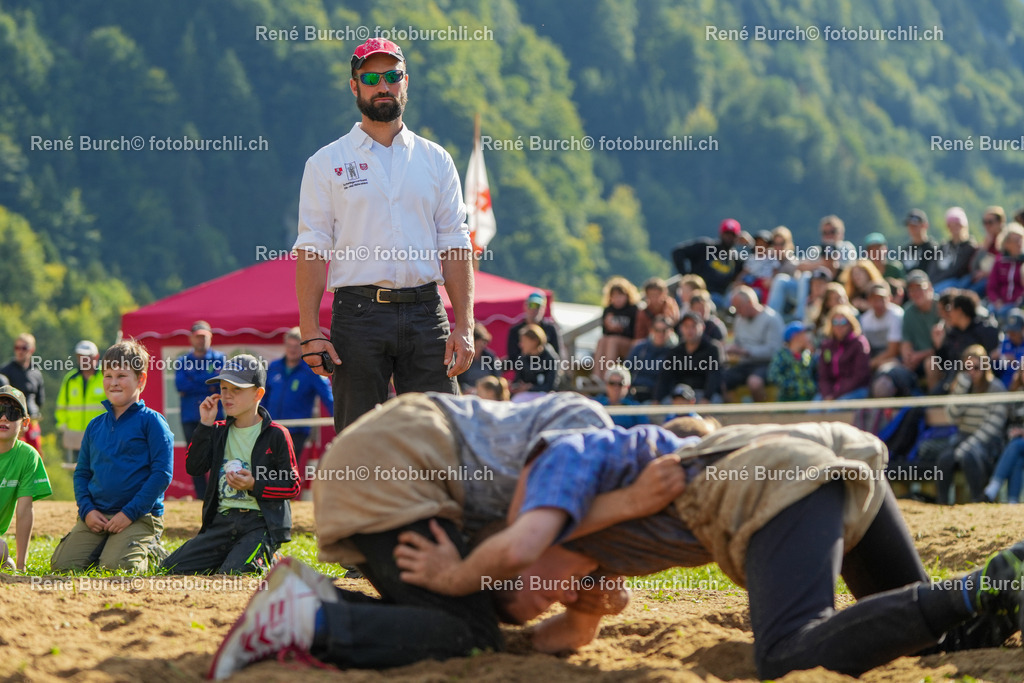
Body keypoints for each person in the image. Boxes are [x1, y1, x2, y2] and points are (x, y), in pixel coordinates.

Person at [391, 421, 1024, 679]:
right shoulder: (584, 541)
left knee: (787, 653)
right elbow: (570, 633)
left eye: (525, 592)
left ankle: (976, 587)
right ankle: (999, 595)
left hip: (775, 482)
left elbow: (523, 545)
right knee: (929, 639)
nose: (545, 598)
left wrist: (454, 579)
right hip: (827, 454)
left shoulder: (550, 479)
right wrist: (530, 625)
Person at [209, 392, 679, 678]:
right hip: (398, 460)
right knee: (472, 632)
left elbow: (549, 631)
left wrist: (590, 604)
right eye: (558, 590)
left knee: (455, 614)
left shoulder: (578, 528)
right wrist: (459, 575)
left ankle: (319, 601)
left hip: (389, 465)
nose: (552, 599)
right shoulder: (593, 437)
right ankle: (309, 619)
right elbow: (519, 541)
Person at [294, 37, 474, 432]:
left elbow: (456, 244)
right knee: (359, 438)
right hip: (358, 314)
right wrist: (309, 330)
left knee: (442, 435)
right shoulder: (326, 162)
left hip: (428, 312)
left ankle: (434, 498)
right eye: (371, 77)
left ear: (405, 82)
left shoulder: (436, 158)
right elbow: (311, 249)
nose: (383, 86)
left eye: (392, 76)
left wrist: (465, 325)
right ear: (354, 85)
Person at [162, 355, 300, 574]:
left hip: (260, 523)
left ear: (258, 394)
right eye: (224, 388)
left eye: (236, 389)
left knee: (233, 574)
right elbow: (194, 468)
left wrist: (254, 484)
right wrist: (205, 425)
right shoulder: (216, 429)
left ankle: (270, 555)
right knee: (170, 568)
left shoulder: (277, 434)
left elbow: (292, 486)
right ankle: (233, 554)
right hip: (223, 522)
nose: (227, 395)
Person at [50, 340, 174, 572]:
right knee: (61, 566)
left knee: (116, 568)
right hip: (97, 516)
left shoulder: (152, 423)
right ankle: (108, 545)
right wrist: (87, 511)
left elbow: (162, 475)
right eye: (108, 375)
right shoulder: (95, 426)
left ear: (141, 380)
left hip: (138, 516)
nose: (114, 382)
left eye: (121, 375)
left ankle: (153, 553)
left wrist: (129, 513)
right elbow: (82, 473)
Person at [917, 346, 1008, 504]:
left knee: (969, 456)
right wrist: (961, 390)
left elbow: (993, 427)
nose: (972, 372)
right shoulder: (964, 387)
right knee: (945, 459)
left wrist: (967, 446)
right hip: (963, 437)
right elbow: (952, 416)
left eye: (977, 368)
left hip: (987, 442)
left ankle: (977, 501)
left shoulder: (996, 388)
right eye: (968, 368)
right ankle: (942, 503)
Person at [264, 328, 334, 473]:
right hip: (272, 428)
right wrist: (259, 420)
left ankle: (284, 496)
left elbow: (328, 397)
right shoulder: (274, 366)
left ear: (303, 348)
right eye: (289, 346)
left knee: (286, 470)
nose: (292, 350)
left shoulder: (312, 371)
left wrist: (340, 418)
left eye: (296, 346)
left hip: (296, 431)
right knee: (267, 469)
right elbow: (263, 396)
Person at [0, 385, 51, 571]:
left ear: (26, 422)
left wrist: (21, 566)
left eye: (12, 413)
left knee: (7, 563)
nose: (4, 417)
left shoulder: (28, 456)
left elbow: (24, 511)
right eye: (0, 411)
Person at [175, 320, 225, 499]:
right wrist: (208, 383)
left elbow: (220, 383)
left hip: (215, 415)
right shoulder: (182, 361)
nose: (201, 340)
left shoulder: (220, 359)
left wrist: (194, 381)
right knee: (194, 455)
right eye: (198, 337)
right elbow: (180, 385)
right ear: (191, 339)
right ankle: (201, 496)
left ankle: (216, 494)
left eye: (204, 337)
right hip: (190, 416)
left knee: (216, 455)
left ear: (210, 337)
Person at [928, 290, 1001, 391]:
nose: (949, 313)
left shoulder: (985, 330)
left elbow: (992, 361)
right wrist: (939, 346)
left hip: (981, 384)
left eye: (951, 309)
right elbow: (945, 364)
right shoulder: (953, 333)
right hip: (954, 383)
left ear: (959, 311)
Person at [722, 286, 784, 402]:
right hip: (745, 364)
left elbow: (774, 350)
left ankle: (759, 416)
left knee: (754, 382)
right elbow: (737, 343)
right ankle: (733, 414)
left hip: (767, 364)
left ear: (750, 302)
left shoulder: (772, 319)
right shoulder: (739, 320)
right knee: (721, 380)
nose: (738, 312)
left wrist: (746, 351)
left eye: (739, 307)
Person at [671, 218, 745, 311]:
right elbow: (678, 252)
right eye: (726, 234)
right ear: (721, 233)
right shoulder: (706, 247)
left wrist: (751, 244)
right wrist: (685, 276)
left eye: (732, 235)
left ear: (737, 237)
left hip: (717, 298)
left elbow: (753, 266)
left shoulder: (736, 259)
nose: (729, 237)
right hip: (694, 291)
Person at [655, 311, 724, 403]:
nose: (689, 330)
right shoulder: (675, 351)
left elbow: (714, 377)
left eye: (693, 326)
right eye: (686, 326)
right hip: (678, 395)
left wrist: (706, 398)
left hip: (702, 394)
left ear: (702, 327)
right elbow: (664, 378)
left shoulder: (713, 349)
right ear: (681, 329)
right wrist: (657, 399)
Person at [55, 340, 106, 464]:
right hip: (75, 439)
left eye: (87, 357)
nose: (83, 360)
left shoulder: (106, 377)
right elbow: (61, 406)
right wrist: (63, 426)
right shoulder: (70, 380)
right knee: (79, 475)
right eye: (80, 357)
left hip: (101, 436)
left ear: (96, 357)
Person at [984, 366, 1024, 503]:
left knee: (1016, 445)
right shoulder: (1016, 394)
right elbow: (1008, 422)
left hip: (1018, 442)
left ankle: (994, 486)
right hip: (1015, 442)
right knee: (1017, 456)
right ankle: (1012, 502)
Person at [816, 305, 872, 401]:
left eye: (843, 322)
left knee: (832, 410)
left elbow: (859, 377)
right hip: (831, 393)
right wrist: (827, 394)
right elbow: (823, 376)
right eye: (835, 322)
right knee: (813, 410)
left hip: (855, 390)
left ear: (850, 323)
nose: (839, 326)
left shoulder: (859, 344)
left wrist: (835, 395)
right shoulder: (827, 346)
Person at [1, 333, 44, 453]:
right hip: (13, 422)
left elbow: (40, 400)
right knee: (16, 455)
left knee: (35, 454)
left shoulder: (36, 373)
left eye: (24, 348)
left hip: (32, 422)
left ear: (32, 350)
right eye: (17, 347)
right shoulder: (5, 371)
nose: (20, 351)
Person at [592, 277, 640, 380]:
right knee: (602, 340)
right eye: (615, 296)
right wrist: (609, 326)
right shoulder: (608, 310)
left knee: (612, 341)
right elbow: (605, 332)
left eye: (620, 296)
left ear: (627, 296)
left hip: (628, 344)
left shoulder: (633, 310)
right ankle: (596, 376)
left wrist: (619, 329)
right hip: (611, 342)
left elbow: (634, 332)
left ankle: (608, 376)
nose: (618, 299)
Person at [625, 315, 676, 403]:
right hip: (634, 394)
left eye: (664, 331)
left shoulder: (673, 353)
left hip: (657, 398)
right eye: (657, 330)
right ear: (651, 330)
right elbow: (626, 371)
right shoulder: (640, 348)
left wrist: (657, 398)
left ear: (670, 332)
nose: (660, 334)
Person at [930, 207, 978, 293]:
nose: (954, 228)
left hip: (956, 282)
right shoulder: (943, 246)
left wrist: (937, 281)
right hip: (937, 282)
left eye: (957, 224)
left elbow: (956, 270)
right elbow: (933, 268)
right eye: (951, 225)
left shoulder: (969, 247)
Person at [858, 282, 903, 371]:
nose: (878, 303)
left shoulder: (897, 315)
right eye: (874, 299)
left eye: (882, 299)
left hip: (896, 359)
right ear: (869, 300)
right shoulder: (864, 319)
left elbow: (893, 351)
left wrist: (871, 363)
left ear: (889, 298)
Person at [766, 322, 817, 402]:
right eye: (804, 334)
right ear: (795, 336)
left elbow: (814, 371)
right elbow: (772, 376)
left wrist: (812, 352)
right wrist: (790, 385)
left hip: (808, 398)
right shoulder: (782, 355)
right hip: (788, 400)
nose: (807, 337)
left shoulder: (806, 354)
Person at [506, 291, 563, 362]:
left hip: (546, 369)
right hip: (523, 370)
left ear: (544, 308)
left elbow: (556, 355)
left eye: (538, 306)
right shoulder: (515, 330)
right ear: (525, 306)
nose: (534, 309)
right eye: (532, 305)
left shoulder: (550, 329)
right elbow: (513, 357)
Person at [985, 222, 1024, 319]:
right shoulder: (1000, 261)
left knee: (1003, 313)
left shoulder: (1022, 262)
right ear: (1006, 243)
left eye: (1021, 240)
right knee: (989, 313)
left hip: (1017, 304)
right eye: (1015, 240)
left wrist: (1018, 302)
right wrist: (997, 301)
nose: (1019, 243)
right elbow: (992, 287)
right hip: (1000, 302)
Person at [510, 325, 561, 397]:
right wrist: (515, 387)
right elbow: (518, 380)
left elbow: (550, 386)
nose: (520, 345)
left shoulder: (550, 358)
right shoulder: (523, 358)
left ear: (534, 341)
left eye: (524, 341)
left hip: (544, 397)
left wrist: (531, 388)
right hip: (526, 396)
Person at [632, 277, 679, 342]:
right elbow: (639, 335)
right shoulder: (643, 313)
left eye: (657, 295)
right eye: (651, 295)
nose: (655, 298)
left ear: (664, 294)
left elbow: (673, 321)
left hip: (668, 337)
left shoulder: (669, 304)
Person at [458, 323, 501, 393]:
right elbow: (458, 381)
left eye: (482, 346)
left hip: (488, 394)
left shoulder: (490, 357)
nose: (479, 349)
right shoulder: (460, 358)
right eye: (476, 346)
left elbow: (497, 377)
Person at [994, 308, 1024, 387]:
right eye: (1009, 332)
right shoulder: (1005, 342)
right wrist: (995, 359)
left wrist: (1016, 360)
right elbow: (998, 368)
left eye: (1014, 332)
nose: (1011, 335)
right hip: (1004, 387)